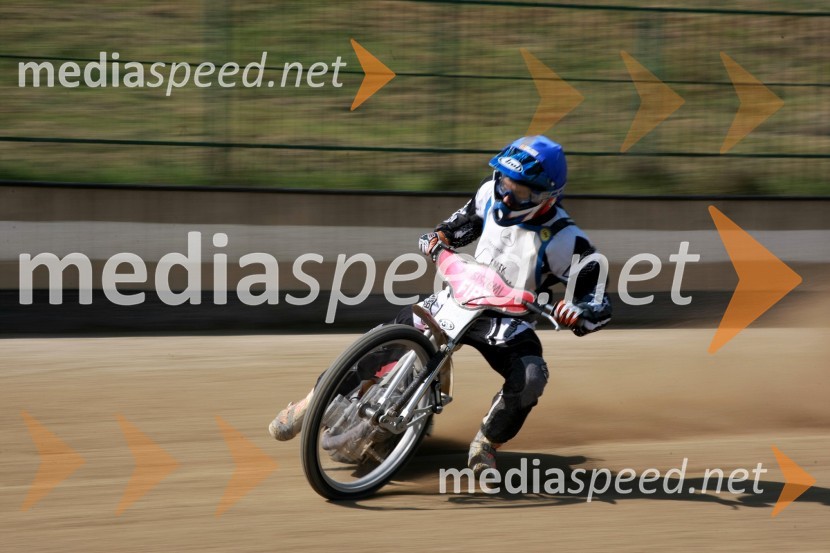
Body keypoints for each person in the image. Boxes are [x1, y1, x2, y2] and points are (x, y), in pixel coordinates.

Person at [268, 135, 612, 476]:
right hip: (460, 296)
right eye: (504, 181)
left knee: (531, 376)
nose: (506, 193)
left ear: (545, 196)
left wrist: (579, 313)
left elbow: (596, 301)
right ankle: (308, 406)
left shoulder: (569, 240)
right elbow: (460, 225)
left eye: (519, 190)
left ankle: (486, 445)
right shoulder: (488, 194)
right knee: (382, 342)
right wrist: (440, 238)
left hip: (509, 321)